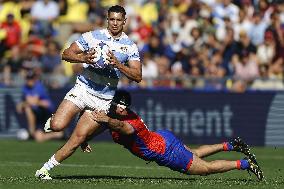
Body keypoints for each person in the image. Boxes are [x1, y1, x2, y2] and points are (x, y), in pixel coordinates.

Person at [35, 90, 264, 181]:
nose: (122, 108)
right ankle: (231, 144)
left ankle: (244, 164)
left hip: (164, 151)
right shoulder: (114, 115)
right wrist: (85, 138)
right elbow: (105, 126)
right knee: (194, 153)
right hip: (163, 138)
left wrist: (106, 120)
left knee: (204, 169)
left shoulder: (122, 121)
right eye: (119, 105)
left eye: (124, 106)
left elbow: (122, 128)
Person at [35, 5, 141, 178]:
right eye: (112, 19)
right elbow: (66, 54)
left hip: (102, 100)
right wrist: (82, 58)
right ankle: (55, 119)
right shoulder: (93, 36)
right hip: (83, 89)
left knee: (77, 139)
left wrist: (118, 65)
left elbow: (137, 76)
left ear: (124, 21)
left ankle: (44, 169)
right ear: (107, 19)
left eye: (118, 20)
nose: (115, 23)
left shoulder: (130, 46)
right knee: (57, 126)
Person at [16, 70, 64, 142]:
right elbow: (25, 104)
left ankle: (56, 134)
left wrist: (24, 103)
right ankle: (33, 133)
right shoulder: (25, 88)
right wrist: (24, 103)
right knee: (39, 138)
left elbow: (34, 101)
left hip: (48, 114)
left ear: (35, 79)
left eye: (31, 78)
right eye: (28, 78)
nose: (30, 80)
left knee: (28, 107)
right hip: (39, 114)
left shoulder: (39, 86)